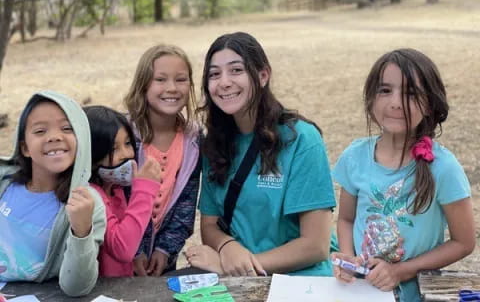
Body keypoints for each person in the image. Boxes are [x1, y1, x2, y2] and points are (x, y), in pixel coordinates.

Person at [185, 31, 336, 277]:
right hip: (238, 281)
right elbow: (211, 225)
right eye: (214, 74)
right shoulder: (214, 142)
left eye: (236, 70)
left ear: (263, 75)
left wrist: (234, 266)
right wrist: (227, 246)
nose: (224, 82)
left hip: (300, 281)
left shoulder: (301, 140)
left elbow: (315, 246)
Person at [331, 49, 475, 302]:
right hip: (359, 293)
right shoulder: (354, 157)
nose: (396, 102)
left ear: (430, 103)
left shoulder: (443, 167)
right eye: (385, 90)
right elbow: (345, 219)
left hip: (417, 295)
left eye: (410, 93)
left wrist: (401, 271)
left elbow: (464, 242)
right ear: (370, 99)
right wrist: (348, 258)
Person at [0, 91, 106, 296]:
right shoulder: (4, 184)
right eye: (40, 131)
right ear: (24, 148)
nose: (55, 136)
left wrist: (81, 230)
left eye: (67, 128)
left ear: (81, 140)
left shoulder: (86, 203)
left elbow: (77, 287)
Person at [124, 44, 201, 276]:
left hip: (163, 265)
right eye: (160, 79)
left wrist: (165, 250)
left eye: (181, 79)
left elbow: (186, 205)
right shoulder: (123, 135)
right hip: (119, 260)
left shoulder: (194, 140)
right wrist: (134, 251)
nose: (171, 88)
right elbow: (114, 201)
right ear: (143, 84)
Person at [85, 105, 163, 277]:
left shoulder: (115, 189)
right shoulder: (91, 195)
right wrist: (144, 190)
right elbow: (122, 248)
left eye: (128, 143)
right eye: (114, 149)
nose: (126, 154)